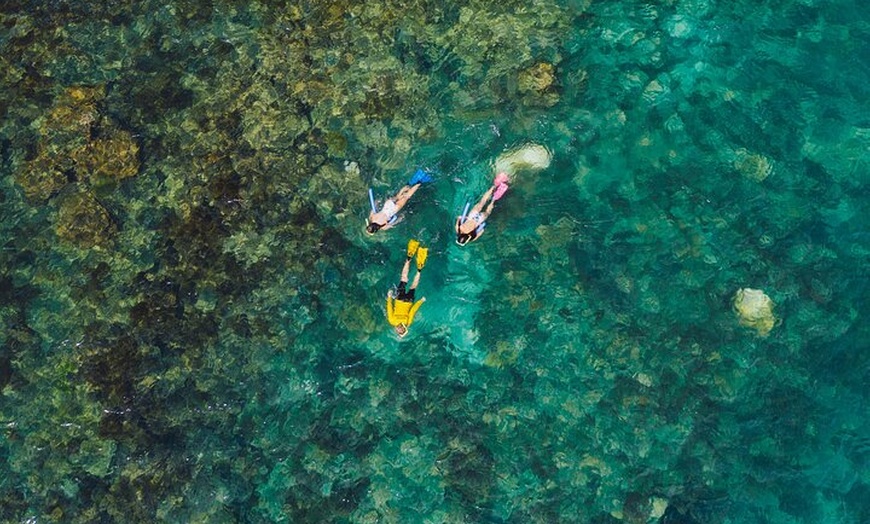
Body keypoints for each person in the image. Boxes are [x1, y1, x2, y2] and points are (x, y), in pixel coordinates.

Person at [367, 169, 433, 234]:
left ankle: (420, 182)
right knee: (398, 195)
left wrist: (401, 217)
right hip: (387, 205)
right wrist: (378, 201)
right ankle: (408, 185)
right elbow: (375, 205)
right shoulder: (372, 217)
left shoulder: (383, 227)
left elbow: (393, 222)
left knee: (407, 196)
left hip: (393, 210)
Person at [386, 239, 428, 337]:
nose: (398, 329)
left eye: (398, 331)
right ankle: (411, 260)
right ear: (404, 329)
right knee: (405, 279)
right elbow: (413, 310)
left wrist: (389, 297)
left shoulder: (400, 322)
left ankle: (418, 267)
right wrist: (389, 297)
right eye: (401, 330)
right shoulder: (394, 321)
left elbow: (390, 308)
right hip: (402, 299)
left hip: (405, 300)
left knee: (412, 284)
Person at [455, 172, 509, 245]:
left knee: (487, 211)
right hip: (471, 216)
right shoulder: (459, 229)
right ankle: (494, 186)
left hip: (478, 220)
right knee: (482, 202)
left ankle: (494, 199)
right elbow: (459, 218)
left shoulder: (472, 237)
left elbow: (481, 231)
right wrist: (460, 218)